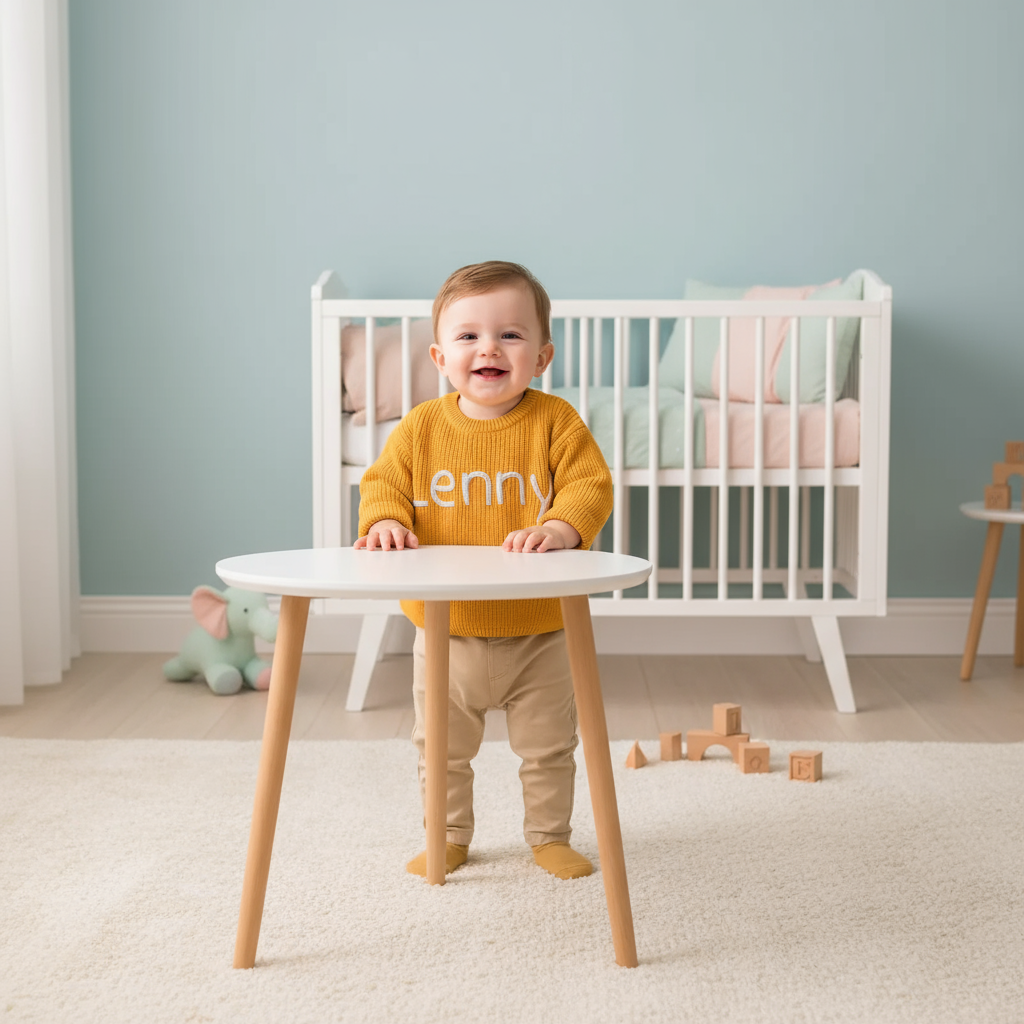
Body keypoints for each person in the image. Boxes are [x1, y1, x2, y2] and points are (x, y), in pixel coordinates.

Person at [356, 261, 613, 880]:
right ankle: (447, 836)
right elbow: (383, 483)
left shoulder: (557, 421)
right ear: (440, 356)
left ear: (542, 355)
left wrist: (560, 528)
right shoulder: (420, 427)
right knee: (440, 751)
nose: (489, 349)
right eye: (469, 337)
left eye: (511, 335)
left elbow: (590, 485)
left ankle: (550, 836)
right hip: (446, 631)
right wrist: (387, 521)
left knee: (549, 748)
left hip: (540, 630)